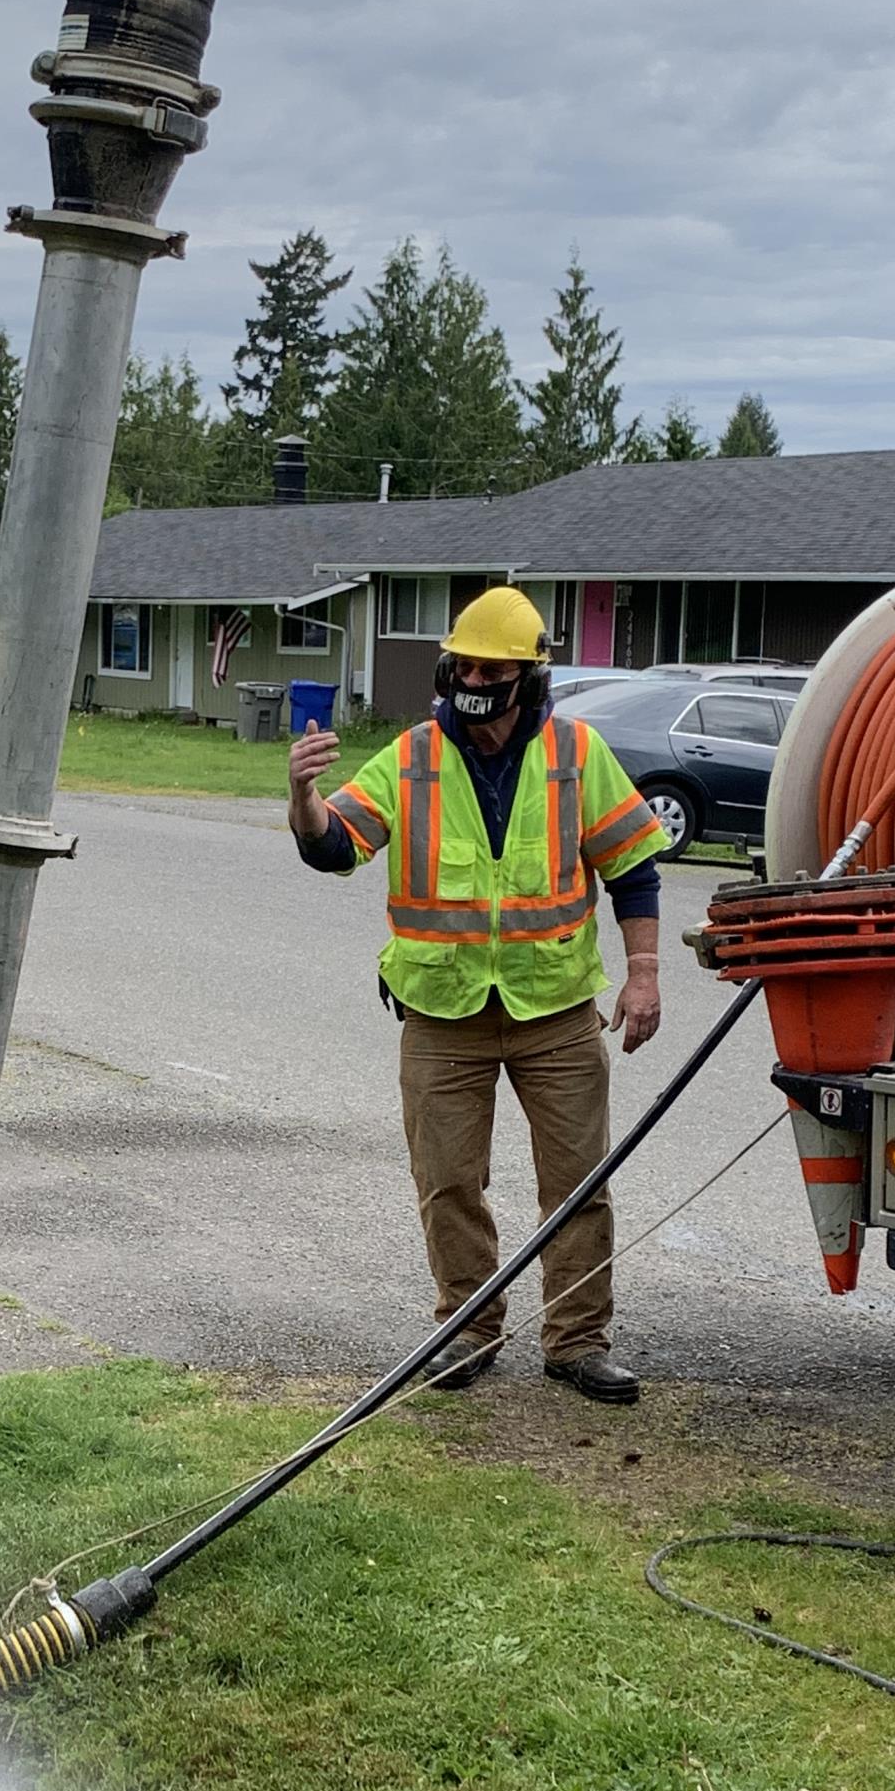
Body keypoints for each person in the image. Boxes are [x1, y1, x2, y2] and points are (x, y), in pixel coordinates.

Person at [287, 587, 666, 1404]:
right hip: (442, 1013)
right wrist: (304, 801)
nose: (474, 678)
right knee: (449, 1182)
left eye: (492, 667)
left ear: (528, 677)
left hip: (555, 1012)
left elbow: (634, 865)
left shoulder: (576, 752)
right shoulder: (413, 754)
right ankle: (467, 1330)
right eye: (463, 663)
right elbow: (336, 847)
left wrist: (644, 973)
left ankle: (577, 1342)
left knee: (577, 1184)